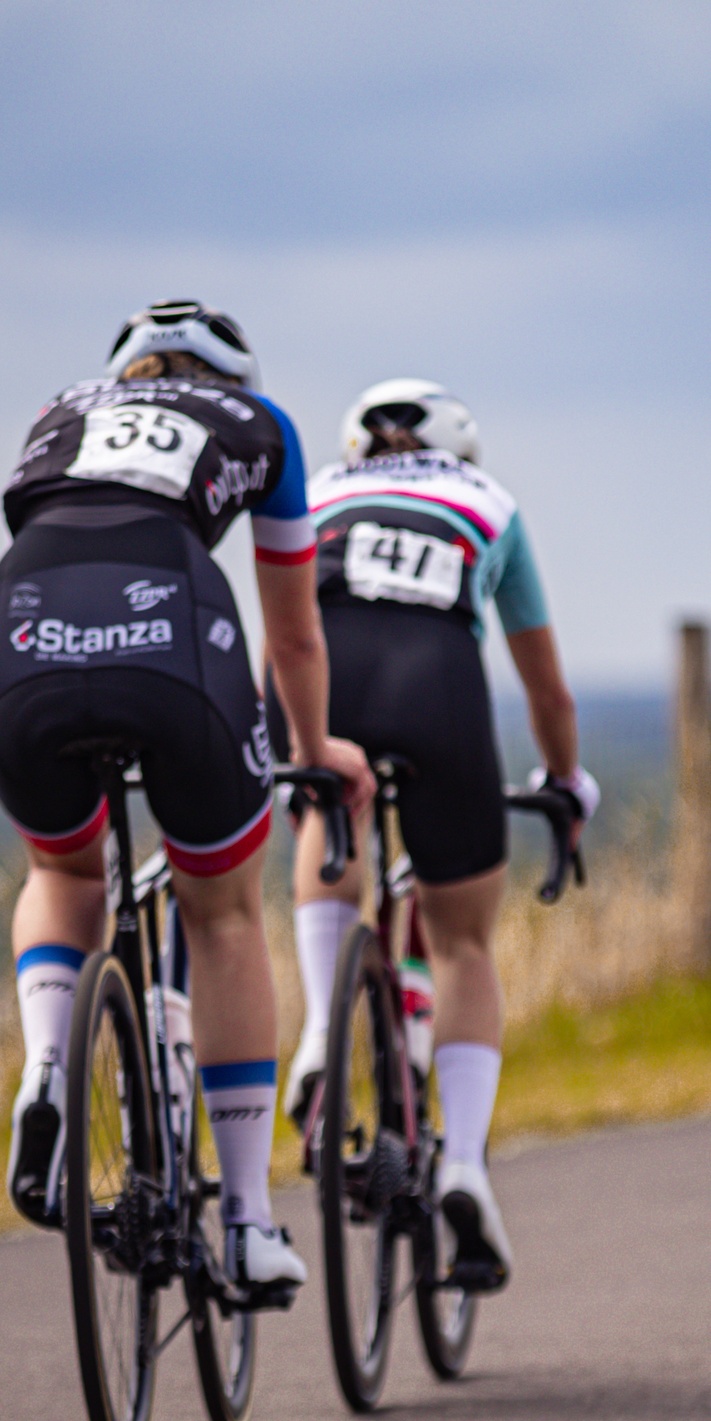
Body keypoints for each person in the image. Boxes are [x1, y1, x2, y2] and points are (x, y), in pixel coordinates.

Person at [0, 298, 372, 1301]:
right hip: (172, 632)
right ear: (230, 378)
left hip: (22, 628)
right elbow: (294, 636)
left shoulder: (56, 413)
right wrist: (314, 750)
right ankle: (243, 1223)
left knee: (63, 868)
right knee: (225, 911)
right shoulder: (261, 426)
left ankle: (46, 1069)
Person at [269, 379, 597, 1289]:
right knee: (461, 944)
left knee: (332, 807)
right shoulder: (488, 504)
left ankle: (320, 1036)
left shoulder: (324, 489)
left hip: (322, 665)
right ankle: (462, 1167)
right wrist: (567, 784)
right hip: (436, 677)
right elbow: (548, 693)